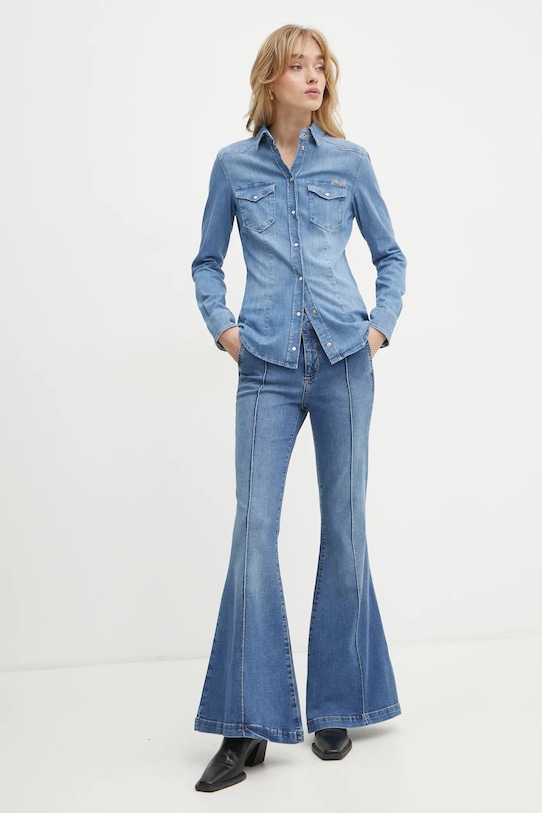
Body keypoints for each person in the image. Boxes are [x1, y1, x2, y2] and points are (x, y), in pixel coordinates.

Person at [190, 23, 406, 793]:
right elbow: (207, 262)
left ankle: (338, 703)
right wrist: (226, 331)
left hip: (346, 363)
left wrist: (379, 328)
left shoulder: (350, 162)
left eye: (321, 67)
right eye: (298, 67)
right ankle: (246, 724)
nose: (314, 77)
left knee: (344, 528)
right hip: (267, 373)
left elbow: (390, 255)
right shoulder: (232, 165)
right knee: (254, 531)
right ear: (269, 80)